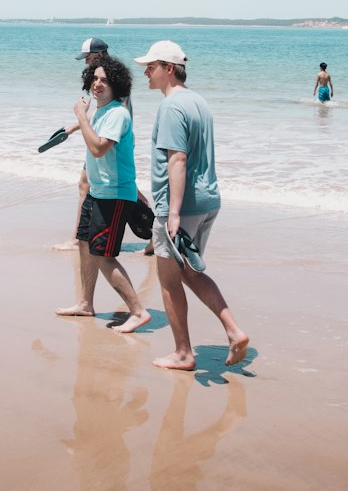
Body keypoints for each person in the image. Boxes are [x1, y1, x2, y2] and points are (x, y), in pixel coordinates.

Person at [135, 40, 249, 371]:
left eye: (151, 66)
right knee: (190, 272)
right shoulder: (198, 101)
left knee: (170, 280)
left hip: (181, 206)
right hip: (207, 201)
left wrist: (171, 212)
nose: (145, 72)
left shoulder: (171, 107)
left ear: (169, 69)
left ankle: (183, 353)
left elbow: (178, 159)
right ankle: (233, 330)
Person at [56, 56, 152, 334]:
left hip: (113, 195)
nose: (98, 84)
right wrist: (78, 123)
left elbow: (98, 148)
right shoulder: (102, 111)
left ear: (117, 86)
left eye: (105, 81)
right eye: (95, 79)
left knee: (103, 255)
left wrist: (80, 117)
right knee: (85, 245)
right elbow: (93, 132)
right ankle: (85, 303)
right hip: (97, 192)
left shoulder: (118, 114)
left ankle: (138, 311)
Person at [52, 37, 111, 253]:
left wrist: (81, 120)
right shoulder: (104, 77)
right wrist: (75, 126)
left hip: (107, 141)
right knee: (86, 184)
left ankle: (79, 239)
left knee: (89, 184)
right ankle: (153, 230)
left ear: (98, 55)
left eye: (87, 57)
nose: (86, 62)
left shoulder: (108, 78)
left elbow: (115, 113)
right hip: (104, 137)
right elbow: (101, 112)